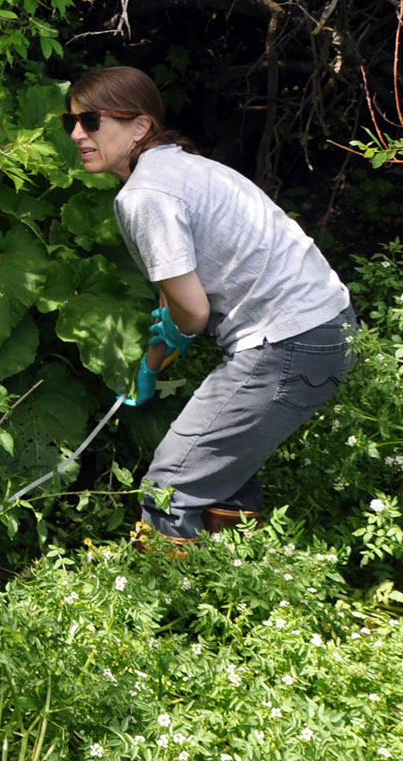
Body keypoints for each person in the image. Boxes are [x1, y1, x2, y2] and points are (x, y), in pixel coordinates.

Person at [64, 66, 357, 541]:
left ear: (140, 126)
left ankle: (164, 586)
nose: (78, 134)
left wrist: (177, 333)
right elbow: (176, 292)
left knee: (169, 489)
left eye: (91, 120)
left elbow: (193, 313)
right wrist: (151, 364)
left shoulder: (145, 195)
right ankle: (228, 577)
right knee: (221, 482)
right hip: (324, 327)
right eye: (71, 122)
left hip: (288, 341)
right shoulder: (178, 166)